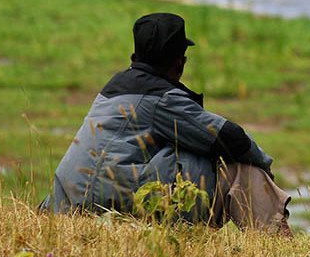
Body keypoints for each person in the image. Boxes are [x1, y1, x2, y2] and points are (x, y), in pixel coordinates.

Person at [40, 13, 291, 234]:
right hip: (108, 207)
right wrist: (264, 167)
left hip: (67, 202)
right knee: (237, 168)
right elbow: (230, 137)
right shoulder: (163, 99)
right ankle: (277, 245)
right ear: (180, 62)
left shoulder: (114, 87)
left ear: (135, 56)